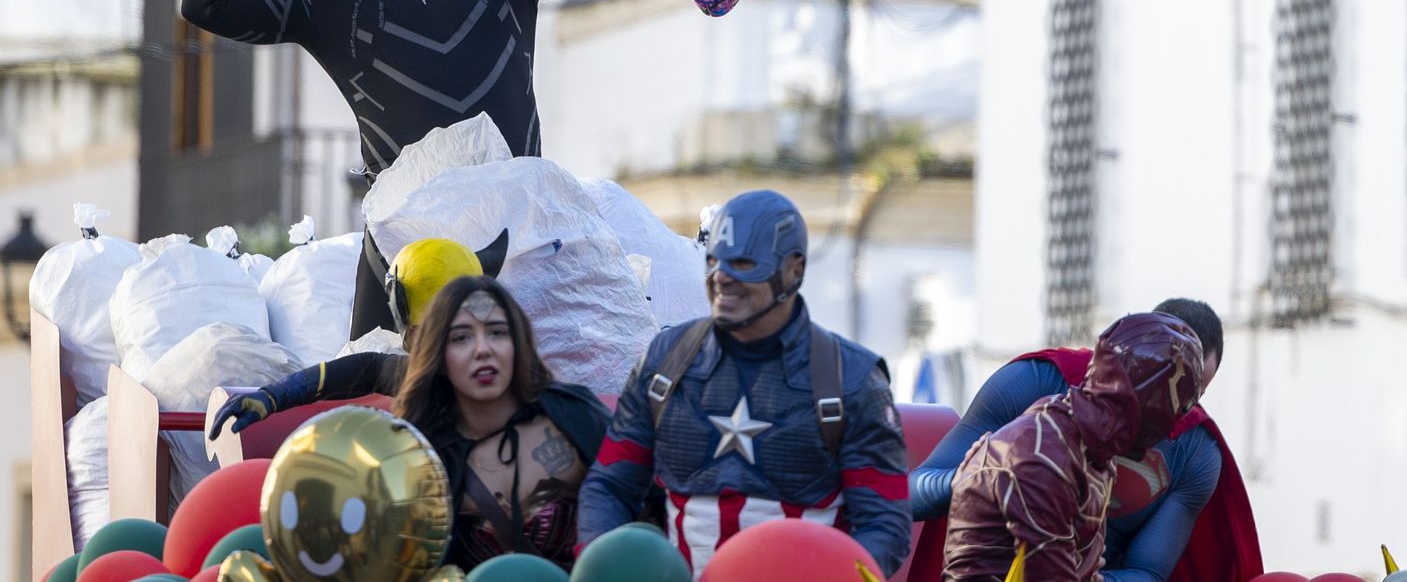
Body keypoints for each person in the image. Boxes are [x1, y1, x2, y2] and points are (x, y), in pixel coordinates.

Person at [182, 0, 760, 338]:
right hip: (406, 255)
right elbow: (208, 4)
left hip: (527, 240)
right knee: (382, 397)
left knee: (582, 384)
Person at [577, 189, 911, 577]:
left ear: (794, 270)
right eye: (714, 260)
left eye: (744, 263)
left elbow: (884, 526)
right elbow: (609, 487)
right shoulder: (664, 363)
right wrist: (605, 568)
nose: (722, 277)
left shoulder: (852, 380)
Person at [911, 298, 1262, 582]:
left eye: (1189, 398)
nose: (1177, 415)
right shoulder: (1037, 389)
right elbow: (909, 495)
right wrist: (982, 476)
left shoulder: (1189, 447)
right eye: (1169, 390)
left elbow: (1149, 572)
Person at [392, 274, 611, 571]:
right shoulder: (426, 461)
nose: (483, 349)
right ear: (440, 357)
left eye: (497, 332)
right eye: (461, 338)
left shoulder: (573, 415)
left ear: (517, 344)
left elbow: (645, 503)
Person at [208, 235, 502, 439]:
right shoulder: (431, 375)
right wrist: (273, 396)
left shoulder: (501, 386)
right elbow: (369, 368)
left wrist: (274, 396)